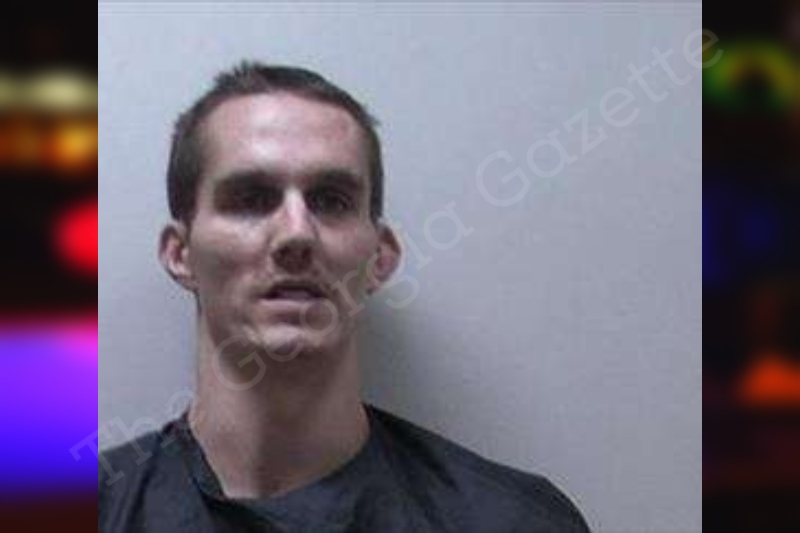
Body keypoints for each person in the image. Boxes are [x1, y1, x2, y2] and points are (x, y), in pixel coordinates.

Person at [98, 61, 592, 533]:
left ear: (380, 255)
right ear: (181, 253)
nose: (296, 233)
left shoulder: (510, 522)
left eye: (331, 201)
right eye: (251, 199)